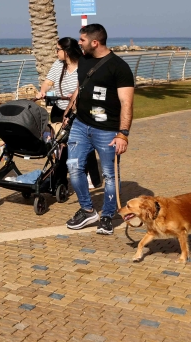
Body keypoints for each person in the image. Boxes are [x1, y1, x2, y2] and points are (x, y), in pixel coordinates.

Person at [63, 24, 135, 235]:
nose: (79, 43)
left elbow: (127, 103)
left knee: (110, 176)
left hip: (108, 131)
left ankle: (107, 216)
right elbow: (80, 87)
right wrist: (68, 112)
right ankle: (87, 210)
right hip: (80, 126)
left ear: (95, 42)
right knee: (74, 168)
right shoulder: (84, 60)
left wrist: (123, 134)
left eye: (82, 40)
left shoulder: (119, 68)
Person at [36, 37, 82, 124]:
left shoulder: (83, 65)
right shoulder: (58, 64)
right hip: (58, 110)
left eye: (58, 49)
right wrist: (43, 91)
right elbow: (49, 82)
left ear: (67, 51)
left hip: (76, 112)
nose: (56, 52)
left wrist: (75, 96)